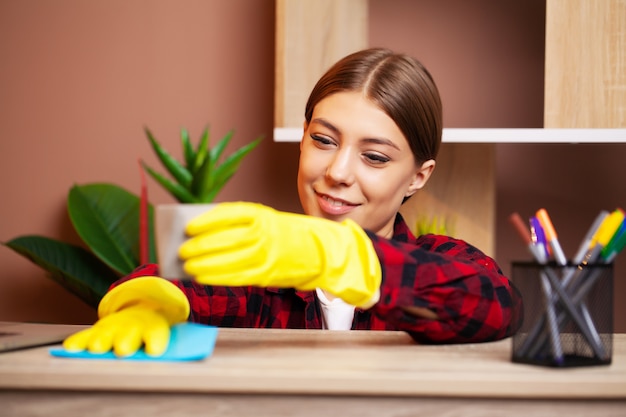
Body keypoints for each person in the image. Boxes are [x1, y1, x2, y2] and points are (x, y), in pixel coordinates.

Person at [64, 48, 523, 357]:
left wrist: (334, 256)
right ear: (302, 139)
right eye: (323, 140)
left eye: (375, 156)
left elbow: (497, 306)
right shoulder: (259, 271)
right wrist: (151, 299)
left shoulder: (443, 260)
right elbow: (177, 280)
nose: (338, 172)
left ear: (417, 177)